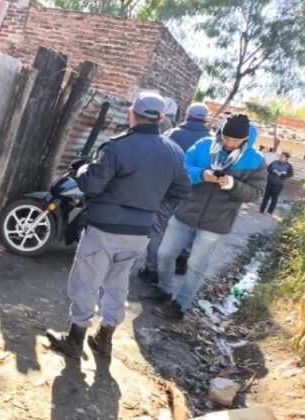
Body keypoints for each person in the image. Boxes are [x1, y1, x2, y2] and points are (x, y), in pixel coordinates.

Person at [45, 92, 191, 358]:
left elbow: (91, 185)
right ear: (161, 118)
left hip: (105, 229)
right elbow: (181, 190)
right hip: (139, 233)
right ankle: (105, 338)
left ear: (132, 113)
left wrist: (83, 170)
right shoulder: (174, 152)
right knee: (118, 283)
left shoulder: (117, 147)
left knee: (87, 281)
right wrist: (153, 211)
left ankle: (75, 340)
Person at [152, 115, 267, 321]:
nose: (229, 144)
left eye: (235, 141)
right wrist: (201, 174)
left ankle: (180, 305)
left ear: (245, 139)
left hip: (216, 223)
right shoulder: (204, 145)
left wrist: (233, 184)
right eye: (226, 138)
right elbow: (182, 169)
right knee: (165, 253)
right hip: (185, 212)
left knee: (196, 265)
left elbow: (256, 192)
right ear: (221, 132)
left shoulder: (256, 160)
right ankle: (163, 290)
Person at [138, 103, 211, 285]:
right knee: (186, 228)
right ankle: (181, 262)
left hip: (168, 191)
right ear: (206, 119)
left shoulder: (172, 134)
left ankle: (152, 270)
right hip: (196, 194)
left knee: (159, 229)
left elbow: (154, 157)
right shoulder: (212, 142)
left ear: (186, 115)